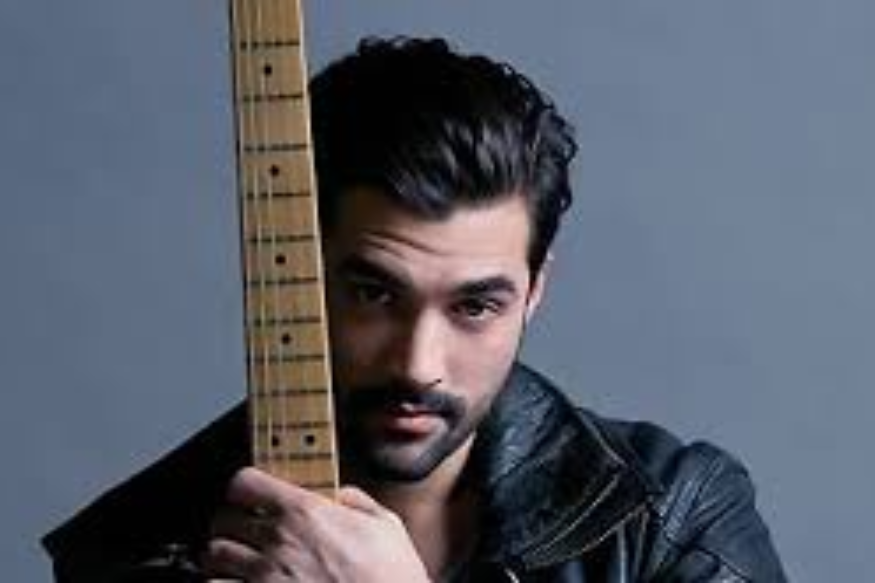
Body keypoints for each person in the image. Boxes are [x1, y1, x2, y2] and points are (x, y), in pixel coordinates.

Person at [43, 37, 787, 582]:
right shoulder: (131, 549)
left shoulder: (671, 520)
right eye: (374, 294)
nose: (416, 364)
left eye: (475, 306)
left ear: (534, 291)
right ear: (295, 278)